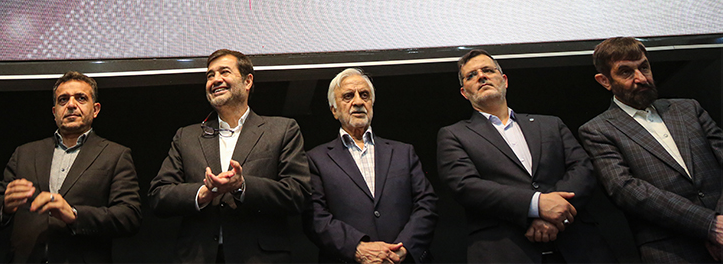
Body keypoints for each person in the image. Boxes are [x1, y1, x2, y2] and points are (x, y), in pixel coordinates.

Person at [436, 50, 614, 263]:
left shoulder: (550, 124)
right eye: (471, 75)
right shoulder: (454, 135)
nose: (481, 76)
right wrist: (536, 205)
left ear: (504, 80)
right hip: (506, 250)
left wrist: (555, 213)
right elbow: (465, 186)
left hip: (578, 246)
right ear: (464, 92)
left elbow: (582, 168)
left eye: (488, 70)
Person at [148, 48, 311, 263]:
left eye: (224, 72)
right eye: (210, 75)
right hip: (198, 256)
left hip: (259, 258)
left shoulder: (282, 130)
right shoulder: (186, 136)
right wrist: (203, 193)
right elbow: (159, 195)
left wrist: (242, 186)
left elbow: (298, 194)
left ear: (247, 81)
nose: (215, 80)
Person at [578, 36, 723, 263]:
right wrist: (708, 224)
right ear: (605, 81)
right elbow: (625, 189)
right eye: (626, 72)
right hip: (671, 248)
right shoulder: (597, 130)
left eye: (644, 67)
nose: (641, 78)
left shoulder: (689, 108)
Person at [0, 71, 141, 262]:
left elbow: (129, 216)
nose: (71, 105)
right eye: (63, 100)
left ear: (95, 109)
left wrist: (74, 214)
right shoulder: (25, 153)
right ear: (54, 111)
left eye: (81, 98)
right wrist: (5, 206)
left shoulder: (115, 155)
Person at [305, 68, 437, 264]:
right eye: (348, 96)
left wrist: (402, 249)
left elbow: (427, 204)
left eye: (364, 95)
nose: (358, 102)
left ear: (372, 104)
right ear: (334, 110)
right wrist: (358, 248)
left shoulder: (403, 152)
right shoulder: (316, 159)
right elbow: (315, 217)